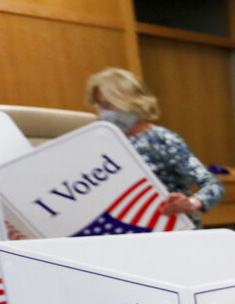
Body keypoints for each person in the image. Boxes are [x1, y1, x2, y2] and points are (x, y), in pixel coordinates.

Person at [84, 67, 224, 228]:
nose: (105, 113)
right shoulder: (102, 142)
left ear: (133, 103)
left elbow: (213, 185)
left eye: (110, 105)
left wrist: (192, 203)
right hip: (126, 230)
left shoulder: (163, 140)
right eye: (100, 105)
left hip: (172, 232)